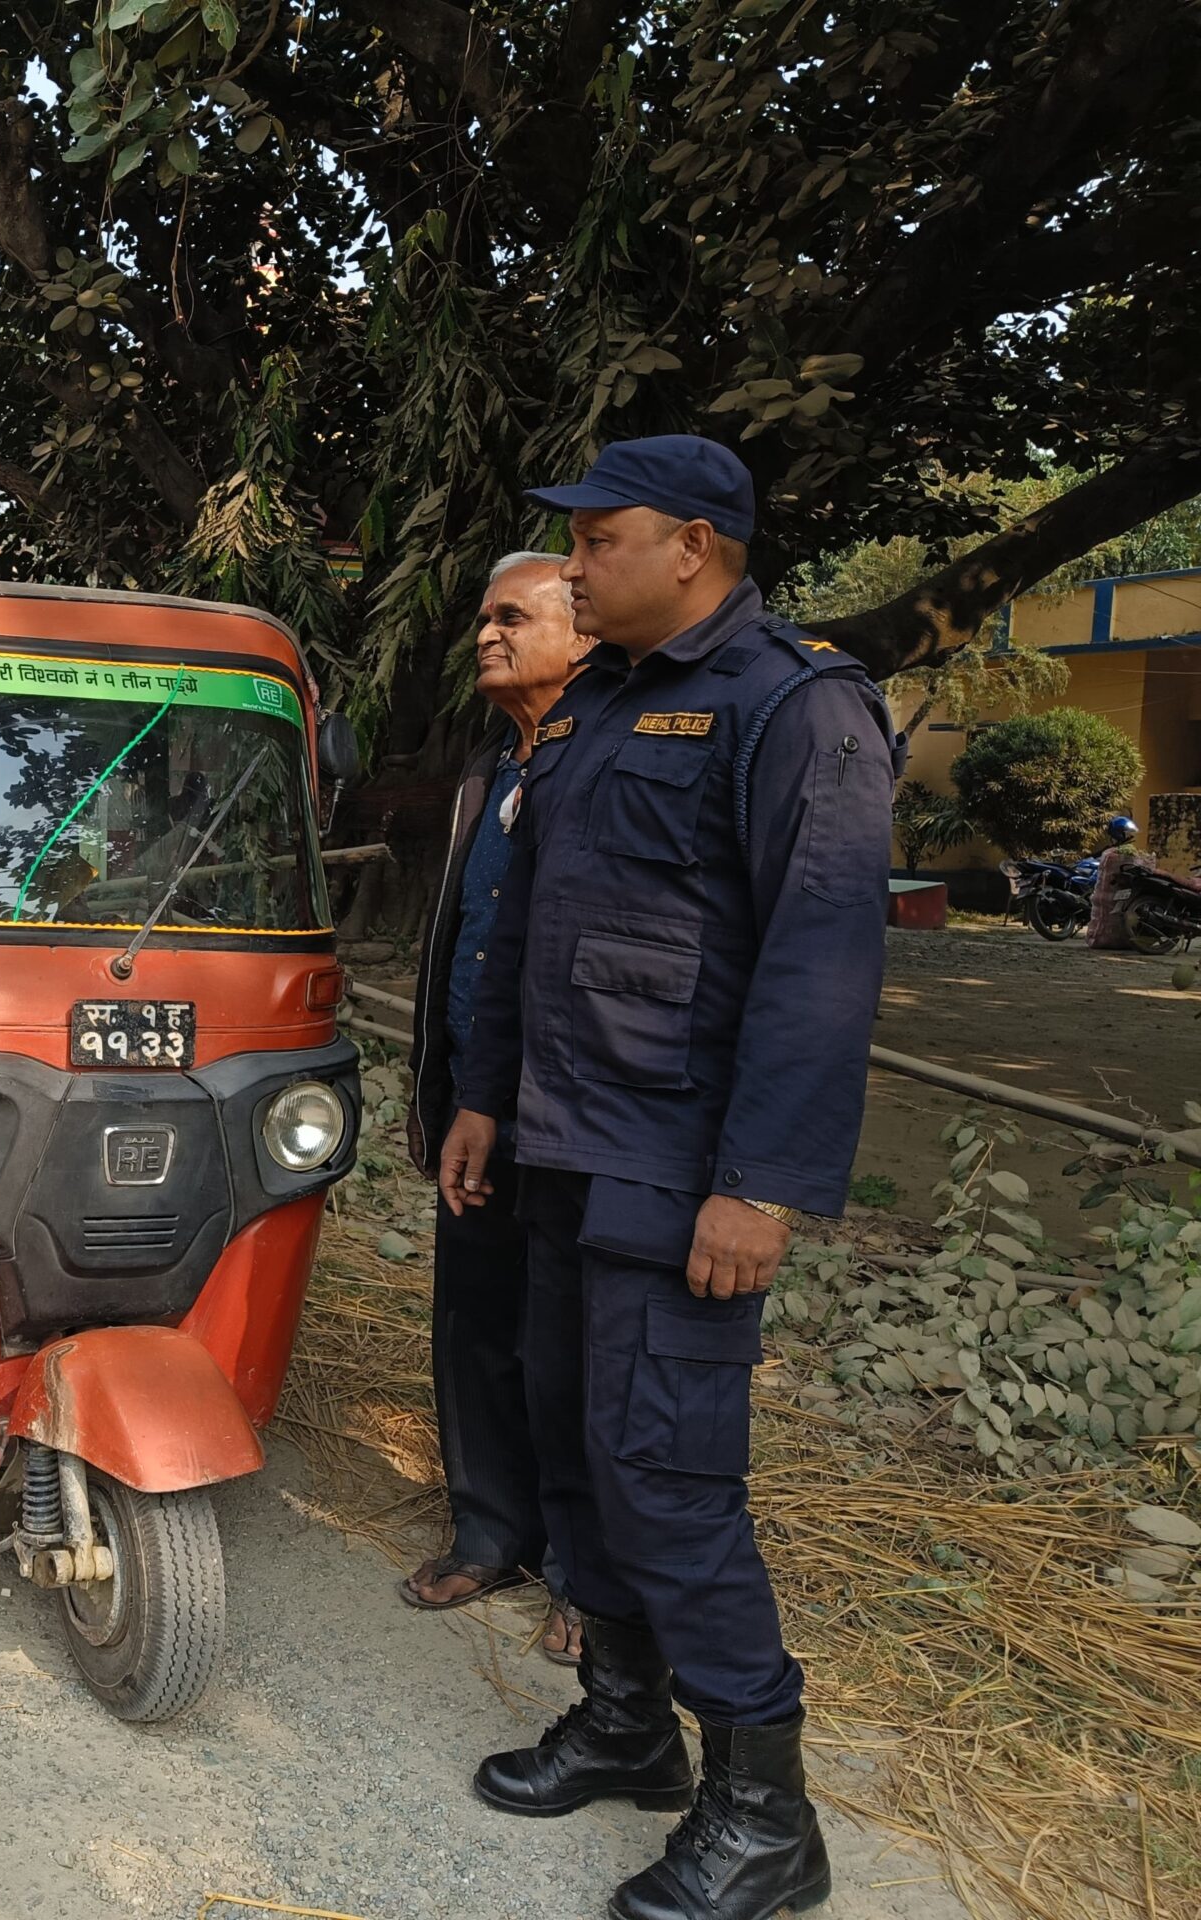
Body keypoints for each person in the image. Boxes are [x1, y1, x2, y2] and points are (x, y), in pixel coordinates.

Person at [439, 436, 893, 1920]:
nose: (574, 564)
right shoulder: (606, 712)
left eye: (603, 538)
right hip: (563, 1154)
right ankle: (632, 1728)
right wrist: (487, 1104)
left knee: (669, 1479)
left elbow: (822, 967)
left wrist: (758, 1186)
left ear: (693, 547)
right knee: (578, 1451)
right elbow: (539, 938)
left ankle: (766, 1815)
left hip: (678, 1172)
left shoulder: (796, 707)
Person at [401, 551, 591, 1665]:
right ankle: (490, 1531)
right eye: (481, 617)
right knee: (473, 1329)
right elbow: (455, 955)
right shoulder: (486, 774)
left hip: (576, 1118)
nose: (485, 634)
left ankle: (583, 1573)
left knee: (571, 1348)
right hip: (477, 1106)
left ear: (586, 630)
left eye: (512, 616)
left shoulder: (610, 767)